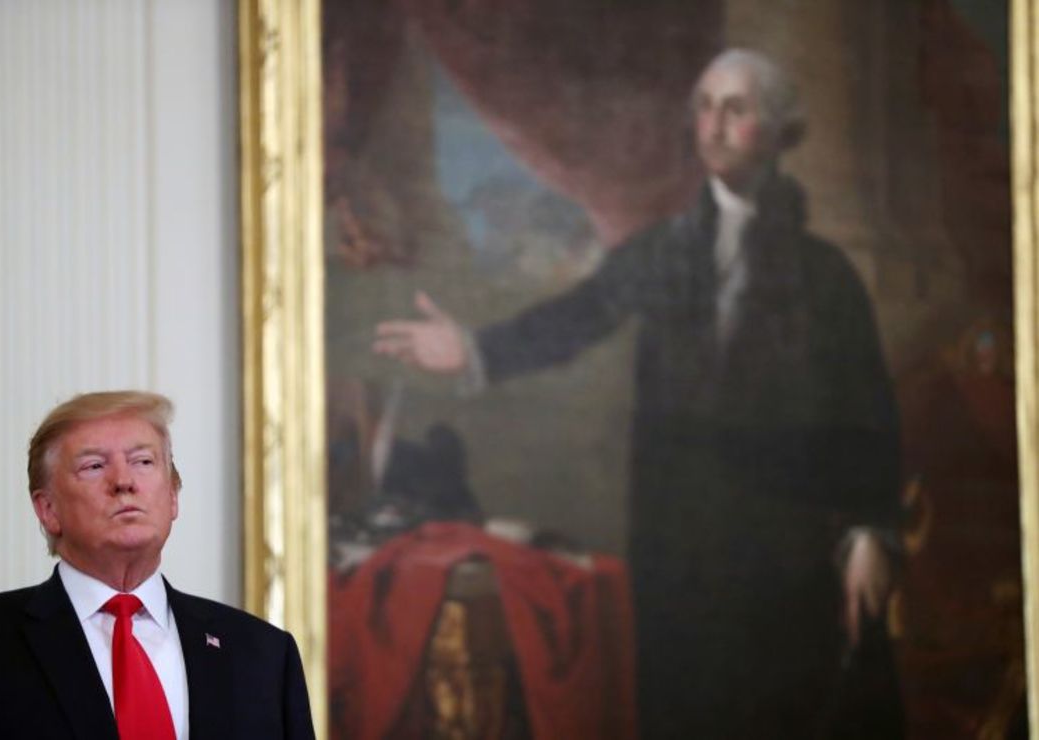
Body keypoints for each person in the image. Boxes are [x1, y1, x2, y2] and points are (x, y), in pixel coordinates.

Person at [374, 49, 904, 738]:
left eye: (735, 110)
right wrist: (475, 350)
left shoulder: (825, 277)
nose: (713, 125)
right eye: (705, 108)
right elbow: (579, 315)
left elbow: (867, 416)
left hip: (785, 557)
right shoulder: (666, 251)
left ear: (776, 132)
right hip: (681, 550)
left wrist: (869, 530)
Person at [0, 391, 316, 740]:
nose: (124, 481)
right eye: (94, 466)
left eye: (143, 461)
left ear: (173, 496)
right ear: (48, 510)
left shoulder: (263, 655)